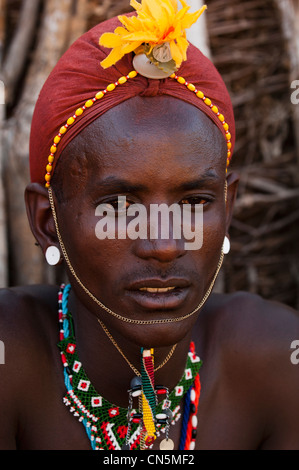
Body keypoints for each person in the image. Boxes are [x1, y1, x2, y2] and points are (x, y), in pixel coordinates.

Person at [1, 0, 299, 451]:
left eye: (195, 201)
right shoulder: (11, 364)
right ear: (47, 221)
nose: (163, 243)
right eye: (120, 207)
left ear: (228, 206)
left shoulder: (278, 363)